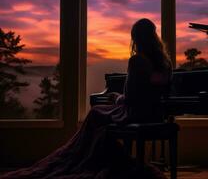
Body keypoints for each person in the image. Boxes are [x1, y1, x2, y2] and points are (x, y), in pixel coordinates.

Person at [0, 18, 172, 179]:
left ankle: (90, 160)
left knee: (96, 113)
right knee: (101, 118)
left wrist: (117, 98)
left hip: (136, 113)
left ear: (136, 39)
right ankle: (104, 160)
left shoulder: (137, 61)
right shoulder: (165, 62)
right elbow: (152, 90)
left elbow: (131, 98)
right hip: (155, 113)